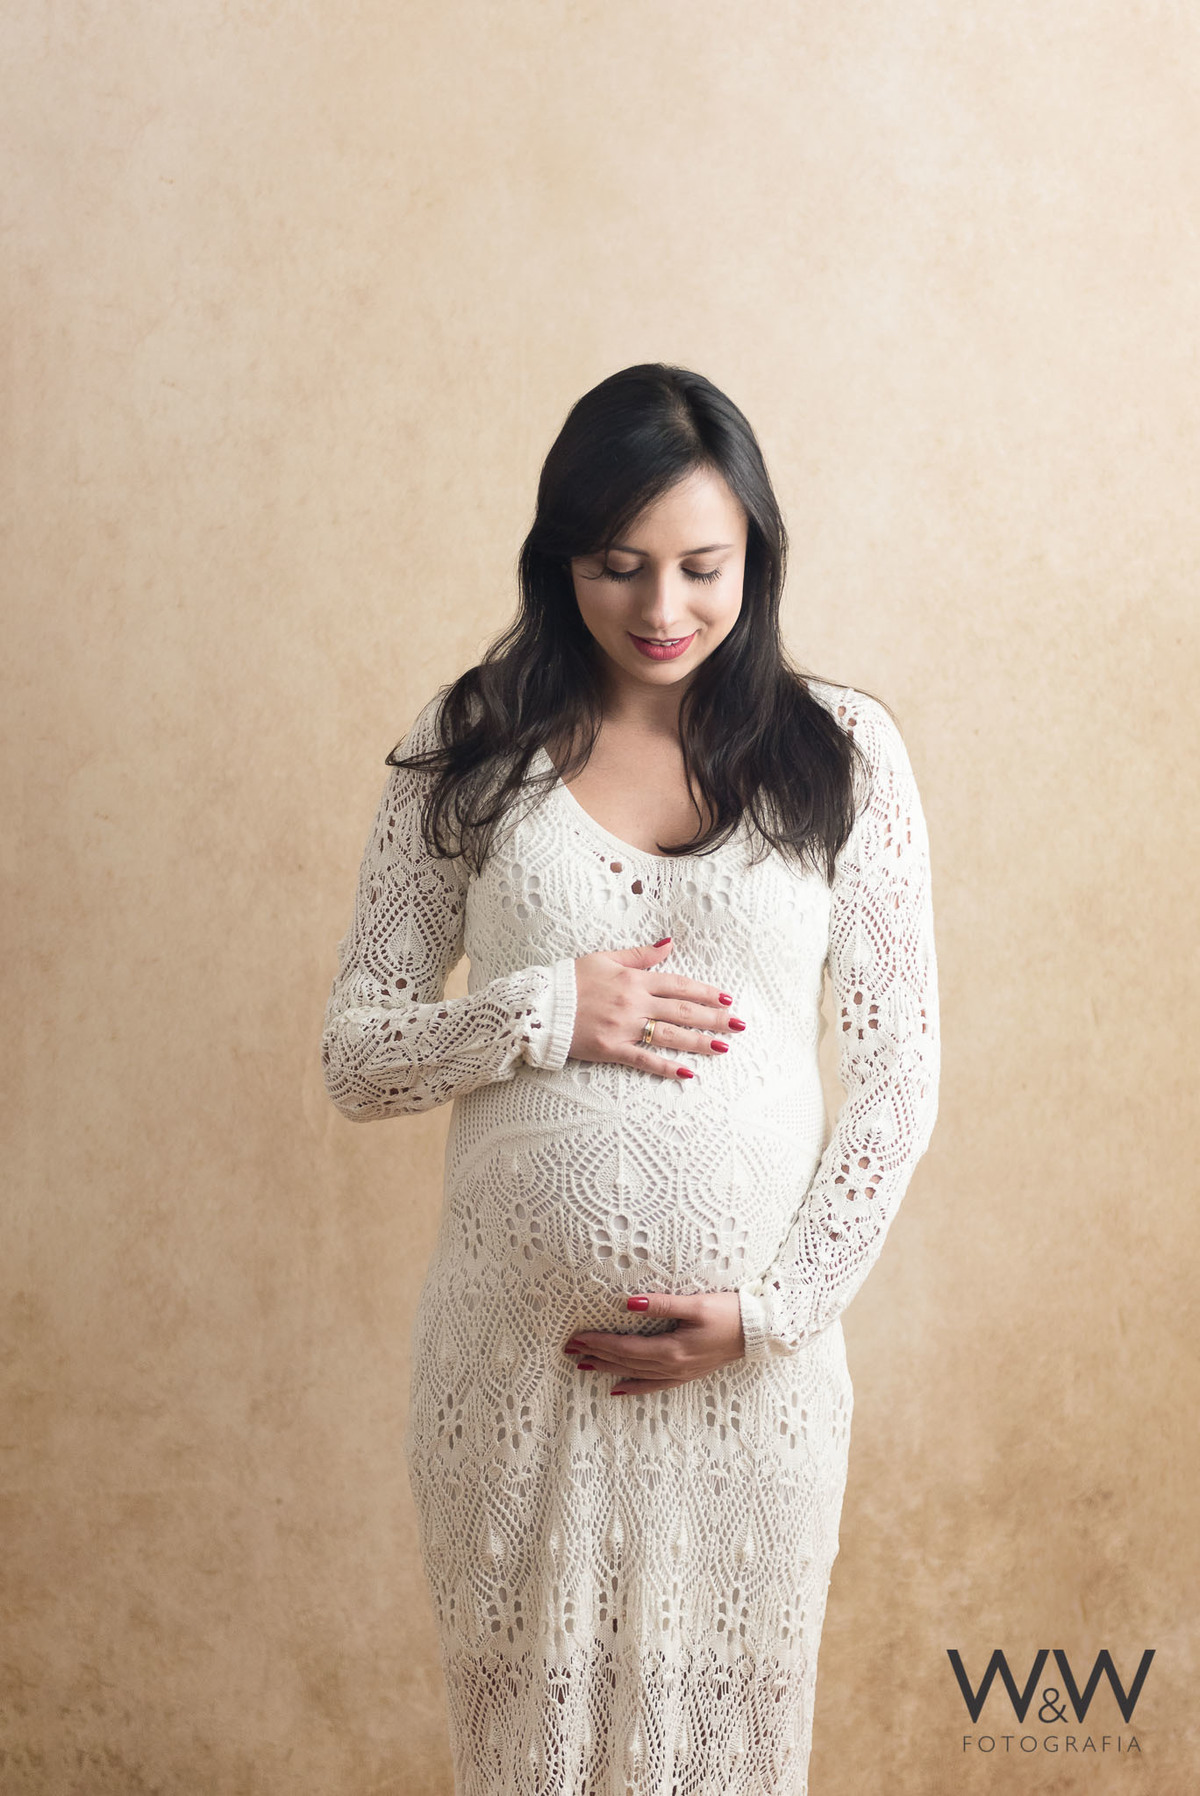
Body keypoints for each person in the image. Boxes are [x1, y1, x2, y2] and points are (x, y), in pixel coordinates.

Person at [321, 363, 940, 1796]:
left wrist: (774, 1315)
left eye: (702, 568)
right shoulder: (474, 747)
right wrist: (542, 1009)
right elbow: (356, 1051)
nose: (663, 610)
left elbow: (902, 1078)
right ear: (560, 561)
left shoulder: (840, 756)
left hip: (754, 1384)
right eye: (620, 567)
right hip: (513, 1380)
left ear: (755, 560)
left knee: (731, 1762)